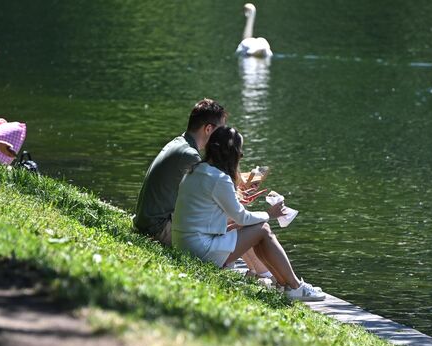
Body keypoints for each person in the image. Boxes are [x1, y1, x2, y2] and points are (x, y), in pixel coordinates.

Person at [172, 126, 325, 301]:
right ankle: (295, 286)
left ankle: (285, 285)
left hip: (184, 244)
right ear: (233, 154)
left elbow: (215, 215)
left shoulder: (195, 171)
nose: (241, 157)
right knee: (263, 229)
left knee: (255, 228)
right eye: (240, 153)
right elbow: (241, 217)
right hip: (199, 250)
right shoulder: (219, 178)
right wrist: (270, 213)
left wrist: (238, 197)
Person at [134, 98, 227, 246]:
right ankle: (236, 266)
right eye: (221, 130)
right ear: (208, 129)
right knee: (232, 223)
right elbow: (206, 204)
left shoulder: (180, 143)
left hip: (147, 222)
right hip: (158, 229)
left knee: (230, 220)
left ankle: (254, 269)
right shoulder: (189, 155)